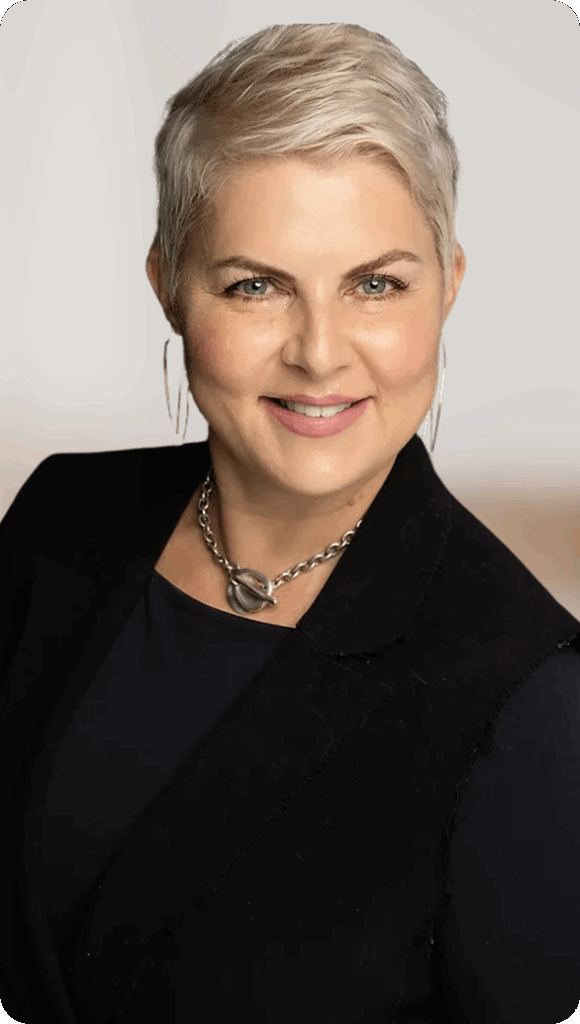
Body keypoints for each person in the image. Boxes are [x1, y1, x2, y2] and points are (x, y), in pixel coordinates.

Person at [0, 21, 579, 1024]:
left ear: (447, 287)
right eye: (254, 284)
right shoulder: (58, 516)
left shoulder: (529, 696)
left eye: (375, 283)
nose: (319, 353)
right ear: (168, 288)